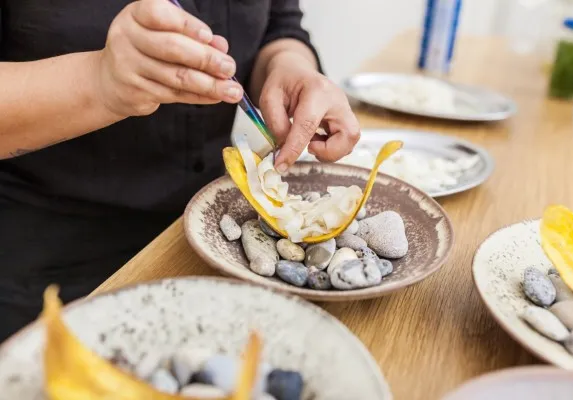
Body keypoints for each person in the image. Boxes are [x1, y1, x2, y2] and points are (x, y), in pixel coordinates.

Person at [0, 0, 360, 341]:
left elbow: (279, 26)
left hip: (209, 241)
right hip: (44, 267)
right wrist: (99, 81)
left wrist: (290, 67)